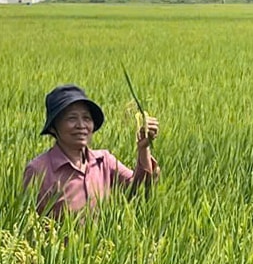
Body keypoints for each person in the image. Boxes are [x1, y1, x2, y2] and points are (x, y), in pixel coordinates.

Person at [23, 84, 160, 218]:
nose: (81, 125)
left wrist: (143, 148)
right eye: (72, 118)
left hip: (102, 240)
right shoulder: (39, 170)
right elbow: (28, 221)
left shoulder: (104, 161)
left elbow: (138, 190)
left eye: (86, 118)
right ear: (53, 128)